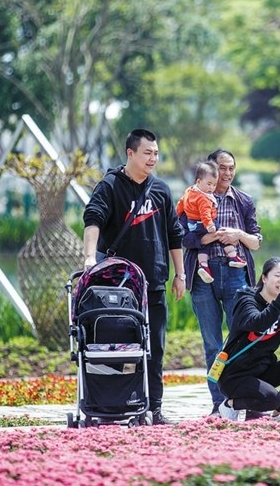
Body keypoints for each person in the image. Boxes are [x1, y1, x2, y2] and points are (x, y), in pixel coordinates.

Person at [82, 128, 185, 426]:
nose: (153, 158)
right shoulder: (110, 185)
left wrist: (180, 274)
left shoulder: (161, 190)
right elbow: (93, 218)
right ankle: (112, 405)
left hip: (153, 285)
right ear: (130, 153)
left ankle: (154, 407)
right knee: (116, 348)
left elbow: (174, 234)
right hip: (117, 289)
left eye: (156, 153)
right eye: (147, 153)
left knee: (155, 349)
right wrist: (90, 257)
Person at [179, 148, 262, 417]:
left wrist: (237, 234)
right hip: (203, 276)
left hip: (236, 274)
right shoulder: (193, 198)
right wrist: (211, 238)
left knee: (243, 338)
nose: (226, 174)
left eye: (231, 168)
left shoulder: (244, 201)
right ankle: (219, 403)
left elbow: (256, 241)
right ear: (210, 170)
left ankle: (245, 399)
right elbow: (184, 238)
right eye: (221, 168)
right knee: (212, 343)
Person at [217, 257, 280, 421]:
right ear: (264, 278)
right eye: (277, 275)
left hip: (261, 372)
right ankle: (230, 404)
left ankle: (279, 415)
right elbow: (259, 323)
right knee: (272, 399)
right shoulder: (246, 300)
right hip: (234, 376)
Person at [176, 160, 246, 285]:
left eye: (213, 185)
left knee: (204, 245)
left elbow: (181, 203)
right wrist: (210, 226)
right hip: (204, 223)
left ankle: (203, 266)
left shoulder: (189, 192)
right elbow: (205, 214)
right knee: (222, 232)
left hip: (194, 225)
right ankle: (232, 254)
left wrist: (177, 213)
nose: (211, 188)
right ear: (198, 181)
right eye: (209, 184)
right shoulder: (204, 198)